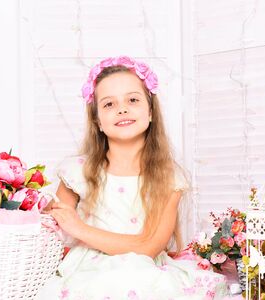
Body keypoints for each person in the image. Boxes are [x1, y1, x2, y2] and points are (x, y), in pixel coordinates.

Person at [36, 56, 228, 300]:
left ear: (150, 112)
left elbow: (148, 247)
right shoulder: (77, 172)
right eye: (108, 104)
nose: (122, 109)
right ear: (98, 121)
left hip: (145, 271)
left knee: (134, 281)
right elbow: (53, 235)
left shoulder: (169, 177)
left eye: (133, 100)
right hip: (88, 272)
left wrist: (80, 228)